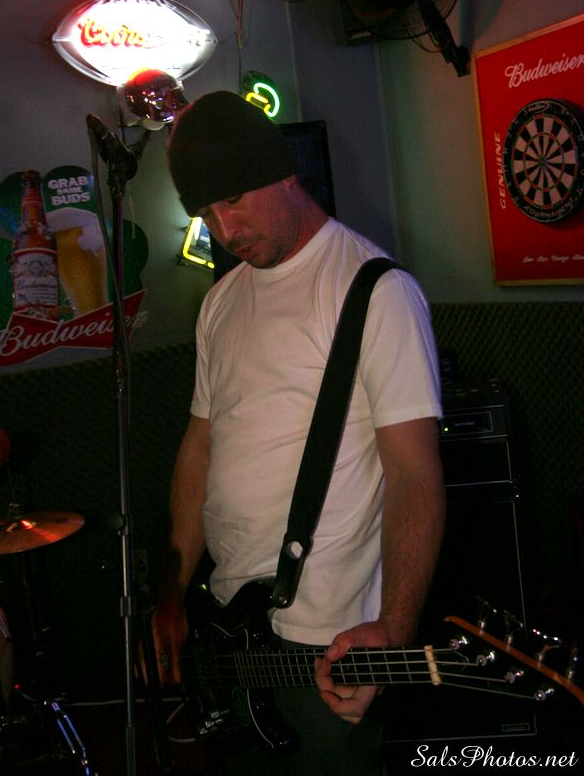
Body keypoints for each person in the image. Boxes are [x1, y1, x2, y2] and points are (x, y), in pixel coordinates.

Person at [151, 91, 445, 775]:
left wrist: (393, 634)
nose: (226, 229)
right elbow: (200, 449)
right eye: (207, 213)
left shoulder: (375, 290)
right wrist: (171, 588)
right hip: (232, 627)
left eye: (235, 200)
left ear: (285, 172)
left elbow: (414, 474)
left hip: (330, 642)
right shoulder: (220, 303)